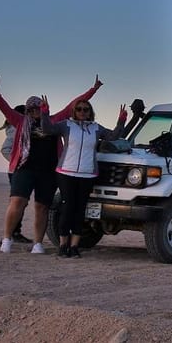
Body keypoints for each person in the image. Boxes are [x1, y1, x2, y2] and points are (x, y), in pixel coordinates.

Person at [0, 74, 103, 254]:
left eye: (38, 107)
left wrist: (93, 89)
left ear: (43, 108)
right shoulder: (20, 121)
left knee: (42, 206)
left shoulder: (55, 120)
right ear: (26, 110)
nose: (35, 111)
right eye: (31, 108)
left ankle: (37, 243)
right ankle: (7, 239)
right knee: (17, 201)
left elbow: (74, 104)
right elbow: (4, 107)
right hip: (25, 169)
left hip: (49, 171)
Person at [42, 97, 127, 258]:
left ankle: (74, 246)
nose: (82, 112)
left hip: (87, 174)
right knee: (67, 208)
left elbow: (113, 136)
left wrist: (121, 121)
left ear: (90, 112)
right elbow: (47, 129)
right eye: (79, 109)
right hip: (66, 172)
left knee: (80, 210)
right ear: (74, 111)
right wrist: (45, 113)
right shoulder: (66, 125)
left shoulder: (95, 128)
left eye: (85, 109)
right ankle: (62, 245)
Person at [0, 105, 30, 243]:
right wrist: (18, 162)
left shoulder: (22, 128)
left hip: (20, 170)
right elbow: (5, 149)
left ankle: (14, 232)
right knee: (18, 203)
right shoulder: (15, 129)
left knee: (21, 202)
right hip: (17, 171)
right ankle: (13, 233)